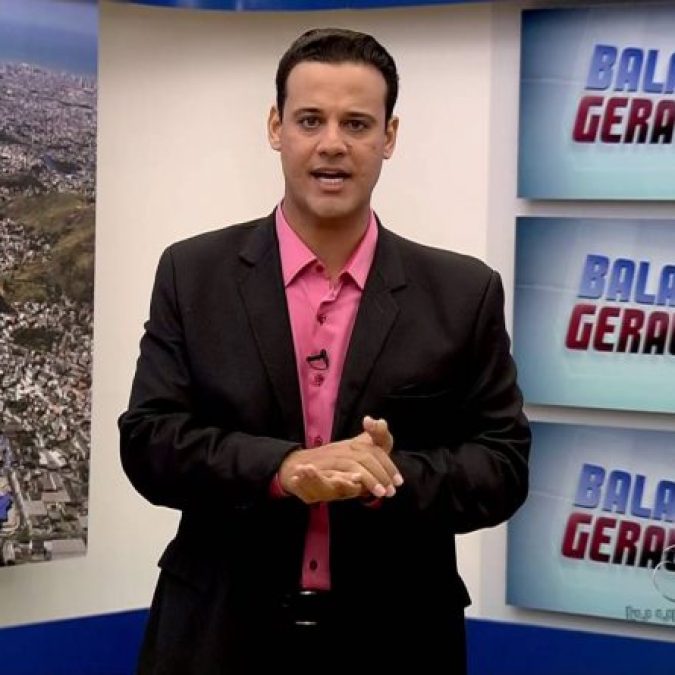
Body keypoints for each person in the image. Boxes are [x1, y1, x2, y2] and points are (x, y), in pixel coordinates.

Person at [119, 27, 530, 675]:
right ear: (275, 127)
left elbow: (502, 466)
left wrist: (383, 477)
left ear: (389, 136)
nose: (332, 143)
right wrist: (282, 468)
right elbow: (149, 442)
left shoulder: (462, 292)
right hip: (218, 635)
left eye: (356, 123)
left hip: (397, 639)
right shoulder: (192, 273)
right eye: (310, 120)